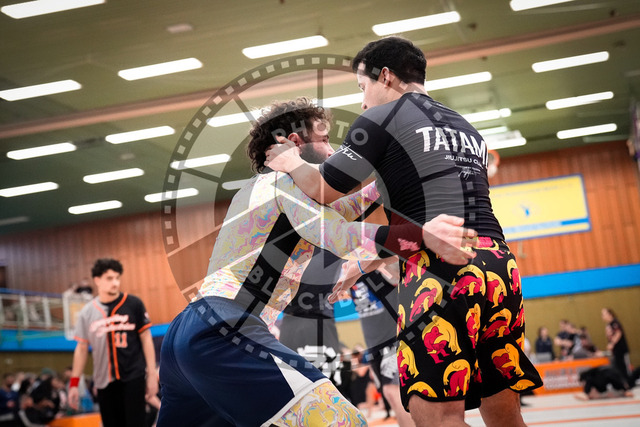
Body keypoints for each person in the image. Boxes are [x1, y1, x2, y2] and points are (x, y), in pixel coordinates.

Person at [265, 36, 543, 426]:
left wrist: (290, 160)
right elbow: (422, 205)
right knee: (503, 407)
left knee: (437, 416)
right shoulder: (466, 126)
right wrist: (363, 263)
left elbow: (322, 189)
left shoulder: (381, 118)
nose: (363, 102)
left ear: (385, 76)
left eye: (362, 87)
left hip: (439, 270)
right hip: (499, 265)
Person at [157, 97, 478, 427]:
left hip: (186, 332)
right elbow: (340, 235)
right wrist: (422, 235)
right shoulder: (282, 183)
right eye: (324, 140)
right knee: (346, 422)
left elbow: (340, 209)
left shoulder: (257, 189)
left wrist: (384, 181)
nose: (332, 151)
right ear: (295, 143)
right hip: (225, 328)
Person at [68, 258, 158, 427]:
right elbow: (81, 349)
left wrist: (152, 374)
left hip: (133, 376)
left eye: (117, 278)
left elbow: (146, 338)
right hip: (104, 381)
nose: (115, 283)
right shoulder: (86, 313)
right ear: (97, 280)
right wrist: (74, 383)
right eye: (109, 278)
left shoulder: (134, 304)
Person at [601, 307, 631, 386]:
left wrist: (612, 344)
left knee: (623, 367)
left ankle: (628, 382)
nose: (602, 316)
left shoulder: (615, 322)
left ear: (610, 314)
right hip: (615, 351)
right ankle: (622, 383)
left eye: (604, 314)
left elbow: (618, 333)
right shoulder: (608, 325)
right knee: (617, 367)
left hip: (620, 349)